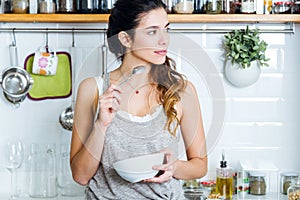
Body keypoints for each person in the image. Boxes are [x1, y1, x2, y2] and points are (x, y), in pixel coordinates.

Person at [70, 0, 208, 199]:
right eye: (152, 32)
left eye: (166, 30)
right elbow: (80, 176)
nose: (164, 40)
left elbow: (200, 165)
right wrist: (101, 125)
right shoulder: (93, 89)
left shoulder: (182, 91)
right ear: (126, 39)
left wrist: (174, 167)